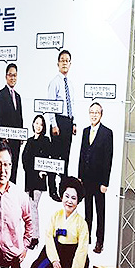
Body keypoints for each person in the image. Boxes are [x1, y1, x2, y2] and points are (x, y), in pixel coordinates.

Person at [29, 177, 90, 268]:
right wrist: (54, 260)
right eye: (66, 196)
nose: (69, 201)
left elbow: (82, 249)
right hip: (54, 252)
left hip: (71, 256)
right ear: (62, 197)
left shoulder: (82, 223)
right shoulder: (56, 216)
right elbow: (49, 237)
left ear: (78, 201)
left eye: (73, 198)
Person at [78, 101, 113, 254]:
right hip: (86, 179)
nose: (94, 115)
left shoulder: (107, 133)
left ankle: (100, 241)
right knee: (88, 211)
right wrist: (80, 177)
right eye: (91, 112)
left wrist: (105, 182)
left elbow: (108, 159)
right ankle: (87, 239)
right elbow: (81, 154)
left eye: (96, 113)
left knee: (100, 212)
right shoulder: (85, 131)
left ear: (101, 114)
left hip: (99, 182)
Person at [47, 49, 76, 200]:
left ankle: (63, 188)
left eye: (67, 61)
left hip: (68, 122)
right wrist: (53, 124)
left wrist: (74, 122)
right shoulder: (55, 82)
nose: (65, 63)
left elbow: (72, 104)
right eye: (62, 60)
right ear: (58, 63)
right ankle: (52, 189)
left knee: (65, 157)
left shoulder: (70, 83)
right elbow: (51, 105)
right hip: (58, 122)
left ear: (70, 64)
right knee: (54, 158)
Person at [21, 114, 51, 248]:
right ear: (33, 124)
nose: (38, 126)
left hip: (38, 180)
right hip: (29, 178)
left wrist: (43, 171)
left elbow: (48, 158)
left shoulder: (46, 140)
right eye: (36, 123)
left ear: (43, 127)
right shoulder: (29, 140)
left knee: (33, 207)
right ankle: (30, 235)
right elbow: (24, 158)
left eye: (41, 124)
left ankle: (35, 237)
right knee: (29, 208)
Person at [0, 63, 24, 183]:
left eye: (15, 75)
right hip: (6, 139)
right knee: (4, 166)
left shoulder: (18, 96)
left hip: (16, 139)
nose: (13, 78)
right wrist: (3, 137)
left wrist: (21, 135)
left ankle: (12, 190)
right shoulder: (1, 94)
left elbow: (20, 117)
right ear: (6, 76)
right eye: (10, 75)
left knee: (14, 166)